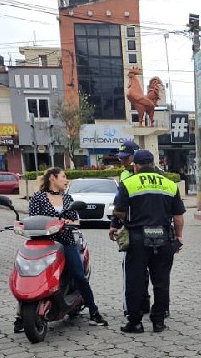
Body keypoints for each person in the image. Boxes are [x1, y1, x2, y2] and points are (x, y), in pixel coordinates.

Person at [15, 167, 108, 330]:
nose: (66, 180)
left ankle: (94, 312)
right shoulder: (38, 197)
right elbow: (33, 218)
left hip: (66, 241)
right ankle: (20, 315)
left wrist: (68, 223)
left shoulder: (67, 198)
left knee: (79, 275)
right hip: (43, 243)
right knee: (28, 272)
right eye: (63, 177)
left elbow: (76, 221)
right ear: (52, 178)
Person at [110, 149, 184, 334]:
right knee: (161, 281)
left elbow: (119, 211)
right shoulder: (169, 184)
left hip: (138, 238)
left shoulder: (129, 183)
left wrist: (119, 224)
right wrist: (179, 236)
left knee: (134, 281)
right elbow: (178, 216)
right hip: (164, 238)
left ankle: (135, 322)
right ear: (153, 164)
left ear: (136, 166)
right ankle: (158, 321)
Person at [108, 140, 153, 318]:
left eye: (126, 158)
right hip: (135, 227)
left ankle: (141, 307)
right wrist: (114, 223)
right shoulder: (125, 174)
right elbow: (119, 203)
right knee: (136, 270)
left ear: (135, 157)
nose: (123, 161)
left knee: (146, 269)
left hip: (146, 227)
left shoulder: (150, 174)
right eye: (121, 158)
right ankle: (141, 303)